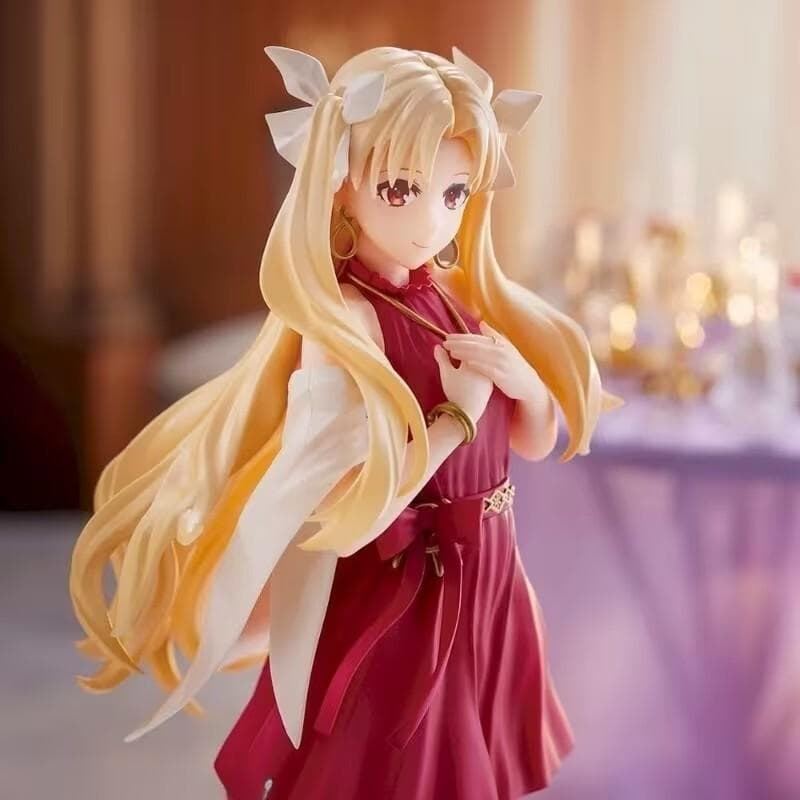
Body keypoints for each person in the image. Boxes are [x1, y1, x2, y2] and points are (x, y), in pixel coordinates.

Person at [69, 45, 620, 800]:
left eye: (454, 193)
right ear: (341, 186)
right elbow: (348, 515)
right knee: (388, 769)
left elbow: (530, 442)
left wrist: (523, 383)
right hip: (401, 597)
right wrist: (455, 420)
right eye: (400, 189)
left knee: (469, 771)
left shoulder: (455, 297)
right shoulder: (346, 324)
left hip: (488, 576)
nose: (431, 219)